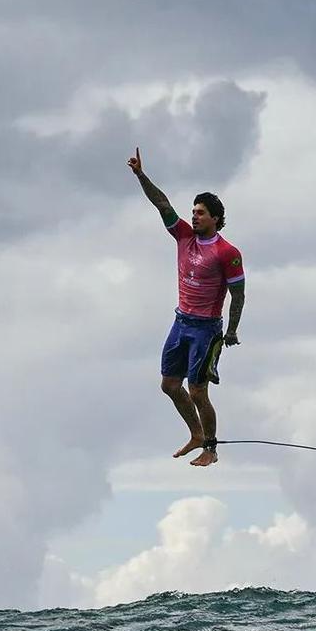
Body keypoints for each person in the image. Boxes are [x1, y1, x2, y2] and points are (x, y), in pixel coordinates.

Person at [127, 147, 245, 467]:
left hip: (206, 329)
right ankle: (195, 434)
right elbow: (162, 203)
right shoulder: (183, 236)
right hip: (181, 322)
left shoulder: (227, 252)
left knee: (197, 391)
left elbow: (239, 294)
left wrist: (231, 330)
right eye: (193, 211)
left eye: (201, 213)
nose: (194, 216)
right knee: (169, 385)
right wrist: (140, 175)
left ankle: (210, 447)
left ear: (216, 219)